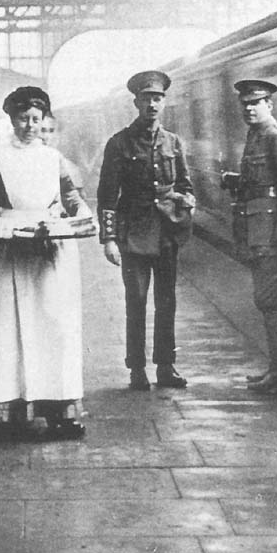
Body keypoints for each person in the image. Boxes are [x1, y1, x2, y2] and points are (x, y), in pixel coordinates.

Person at [0, 86, 92, 440]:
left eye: (36, 119)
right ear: (12, 120)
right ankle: (6, 412)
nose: (30, 125)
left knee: (55, 327)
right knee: (7, 328)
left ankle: (61, 411)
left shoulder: (54, 158)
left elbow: (71, 196)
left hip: (51, 249)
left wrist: (81, 213)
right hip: (10, 246)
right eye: (23, 119)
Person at [97, 70, 194, 391]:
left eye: (157, 98)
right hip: (134, 234)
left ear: (164, 103)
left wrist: (184, 202)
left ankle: (166, 366)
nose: (152, 104)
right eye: (146, 99)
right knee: (136, 301)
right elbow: (107, 196)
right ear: (136, 102)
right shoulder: (119, 143)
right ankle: (136, 369)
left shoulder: (174, 143)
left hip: (167, 233)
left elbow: (185, 185)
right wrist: (109, 238)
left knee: (166, 302)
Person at [229, 79, 277, 395]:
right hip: (258, 233)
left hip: (272, 236)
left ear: (270, 105)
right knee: (267, 302)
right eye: (245, 104)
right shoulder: (256, 136)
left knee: (272, 302)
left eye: (256, 103)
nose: (249, 108)